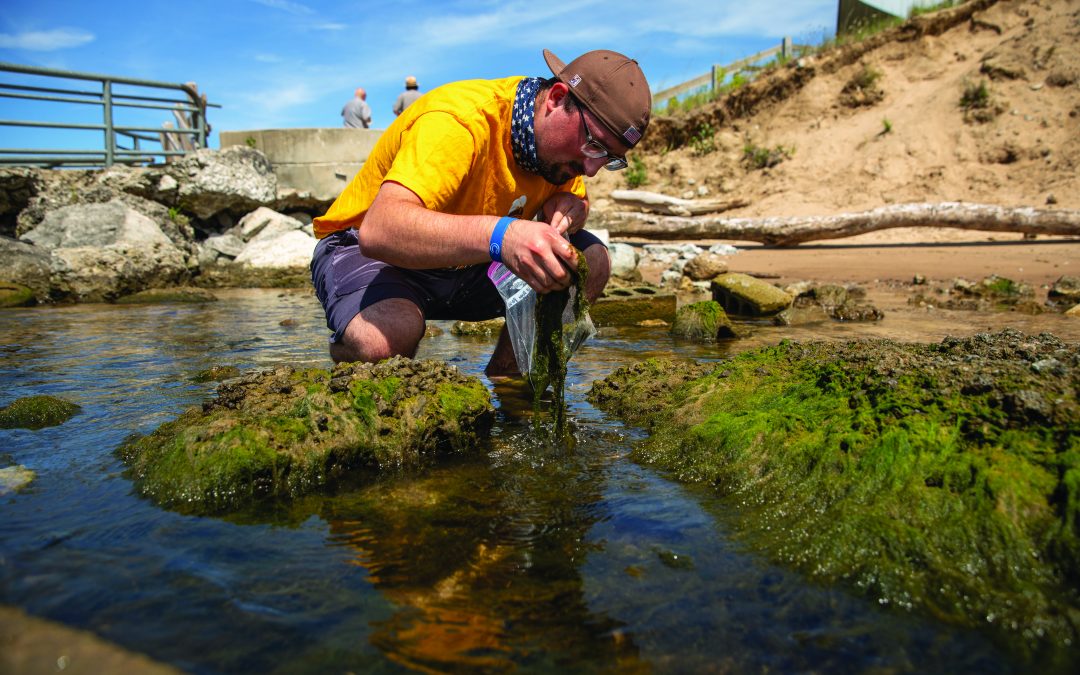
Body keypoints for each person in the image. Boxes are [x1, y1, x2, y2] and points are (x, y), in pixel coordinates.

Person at [310, 48, 651, 377]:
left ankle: (510, 379)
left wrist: (574, 211)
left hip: (467, 266)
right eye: (593, 144)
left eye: (610, 158)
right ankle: (347, 345)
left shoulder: (566, 157)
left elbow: (578, 203)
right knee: (382, 343)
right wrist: (503, 235)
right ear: (556, 98)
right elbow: (379, 231)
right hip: (376, 254)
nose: (591, 170)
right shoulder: (460, 120)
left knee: (591, 260)